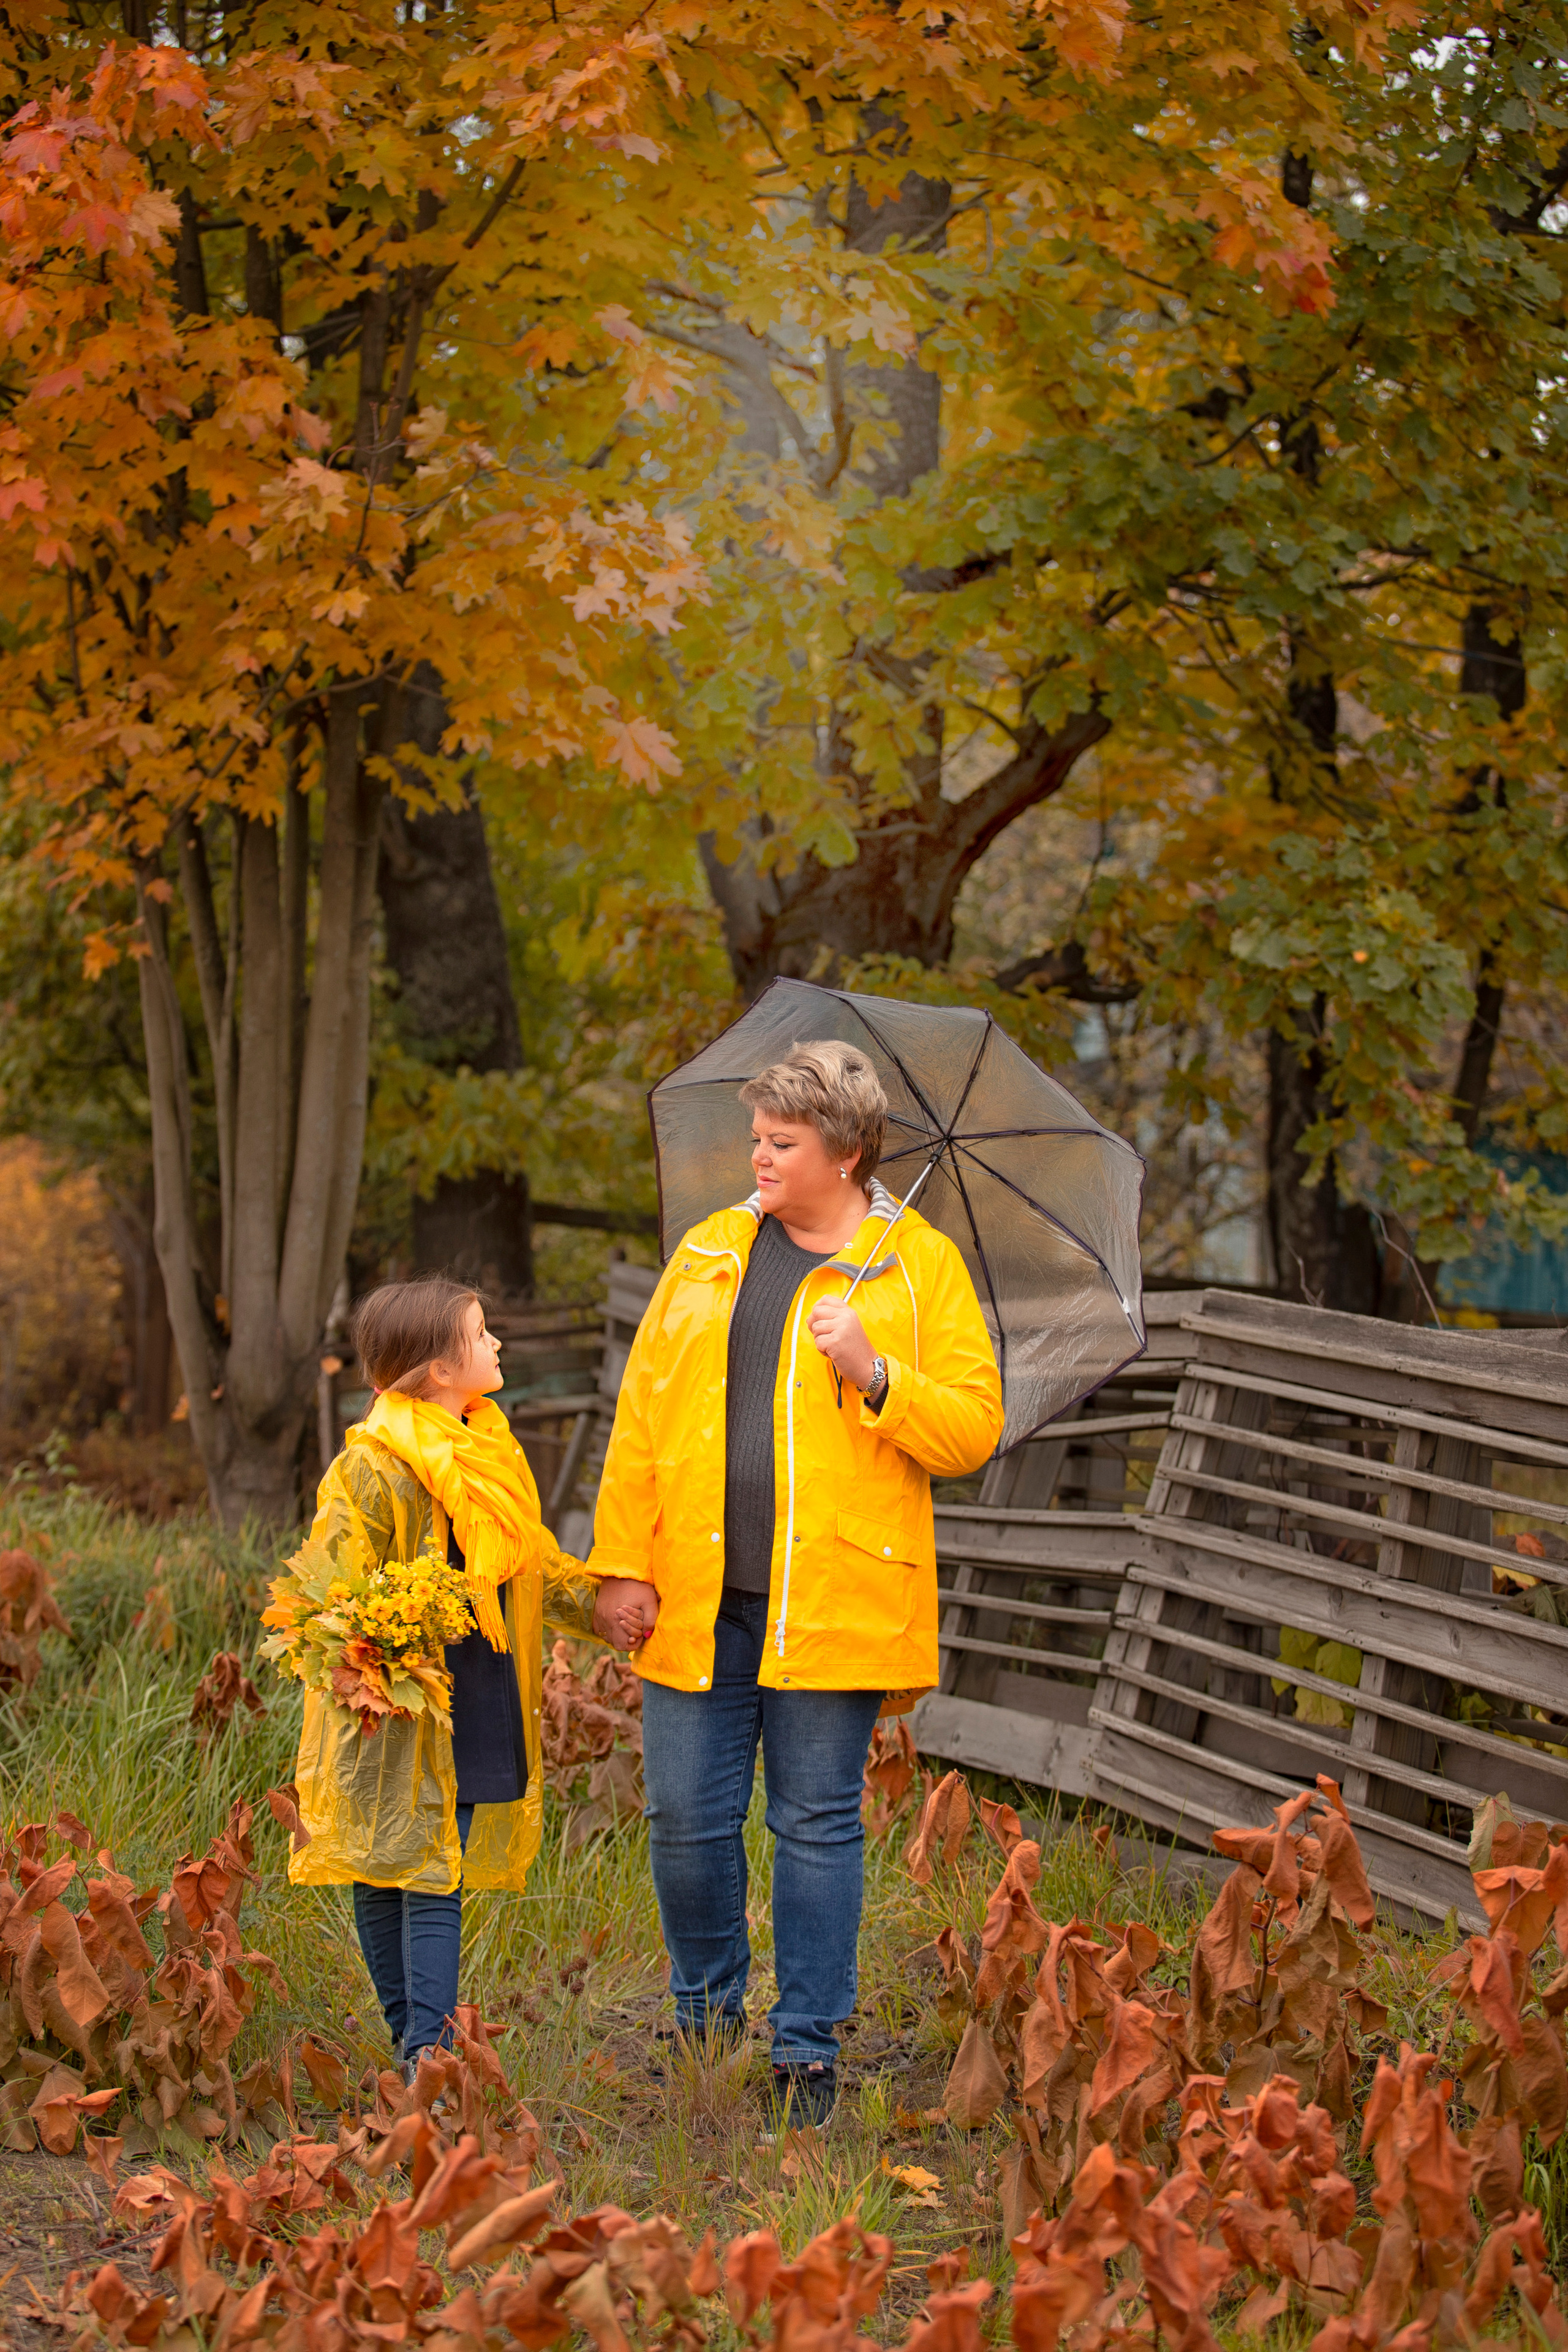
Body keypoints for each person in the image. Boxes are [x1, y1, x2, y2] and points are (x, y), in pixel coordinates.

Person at [589, 1039, 1004, 2128]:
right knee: (685, 1817)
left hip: (836, 1600)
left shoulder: (921, 1272)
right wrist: (622, 1562)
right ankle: (706, 2013)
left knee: (816, 1824)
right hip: (696, 1593)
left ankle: (807, 2050)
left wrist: (877, 1370)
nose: (760, 1158)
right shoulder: (714, 1252)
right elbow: (643, 1418)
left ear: (848, 1151)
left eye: (783, 1142)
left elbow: (973, 1428)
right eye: (758, 1139)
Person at [287, 1276, 637, 2076]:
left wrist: (601, 1612)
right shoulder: (372, 1467)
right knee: (394, 1870)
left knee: (428, 1863)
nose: (497, 1346)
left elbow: (532, 1566)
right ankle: (424, 2052)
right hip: (396, 1700)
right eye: (482, 1336)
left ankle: (421, 2055)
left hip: (476, 1691)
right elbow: (326, 1586)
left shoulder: (492, 1451)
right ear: (438, 1369)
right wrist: (377, 1653)